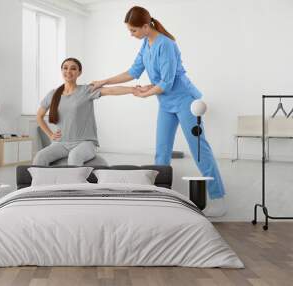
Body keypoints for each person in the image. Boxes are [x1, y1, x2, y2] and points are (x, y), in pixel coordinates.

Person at [90, 6, 226, 217]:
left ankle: (218, 198)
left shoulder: (166, 44)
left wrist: (146, 93)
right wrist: (104, 81)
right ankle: (160, 192)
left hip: (185, 101)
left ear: (145, 26)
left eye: (133, 30)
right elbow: (133, 71)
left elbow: (167, 81)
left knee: (199, 149)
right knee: (161, 151)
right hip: (165, 102)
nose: (131, 34)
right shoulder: (146, 43)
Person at [33, 57, 135, 166]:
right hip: (61, 143)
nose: (68, 71)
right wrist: (51, 135)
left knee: (74, 156)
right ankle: (39, 183)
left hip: (85, 143)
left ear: (79, 72)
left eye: (73, 69)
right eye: (65, 68)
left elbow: (110, 90)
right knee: (40, 157)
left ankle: (75, 183)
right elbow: (39, 116)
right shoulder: (53, 94)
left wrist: (132, 90)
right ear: (61, 70)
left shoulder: (86, 90)